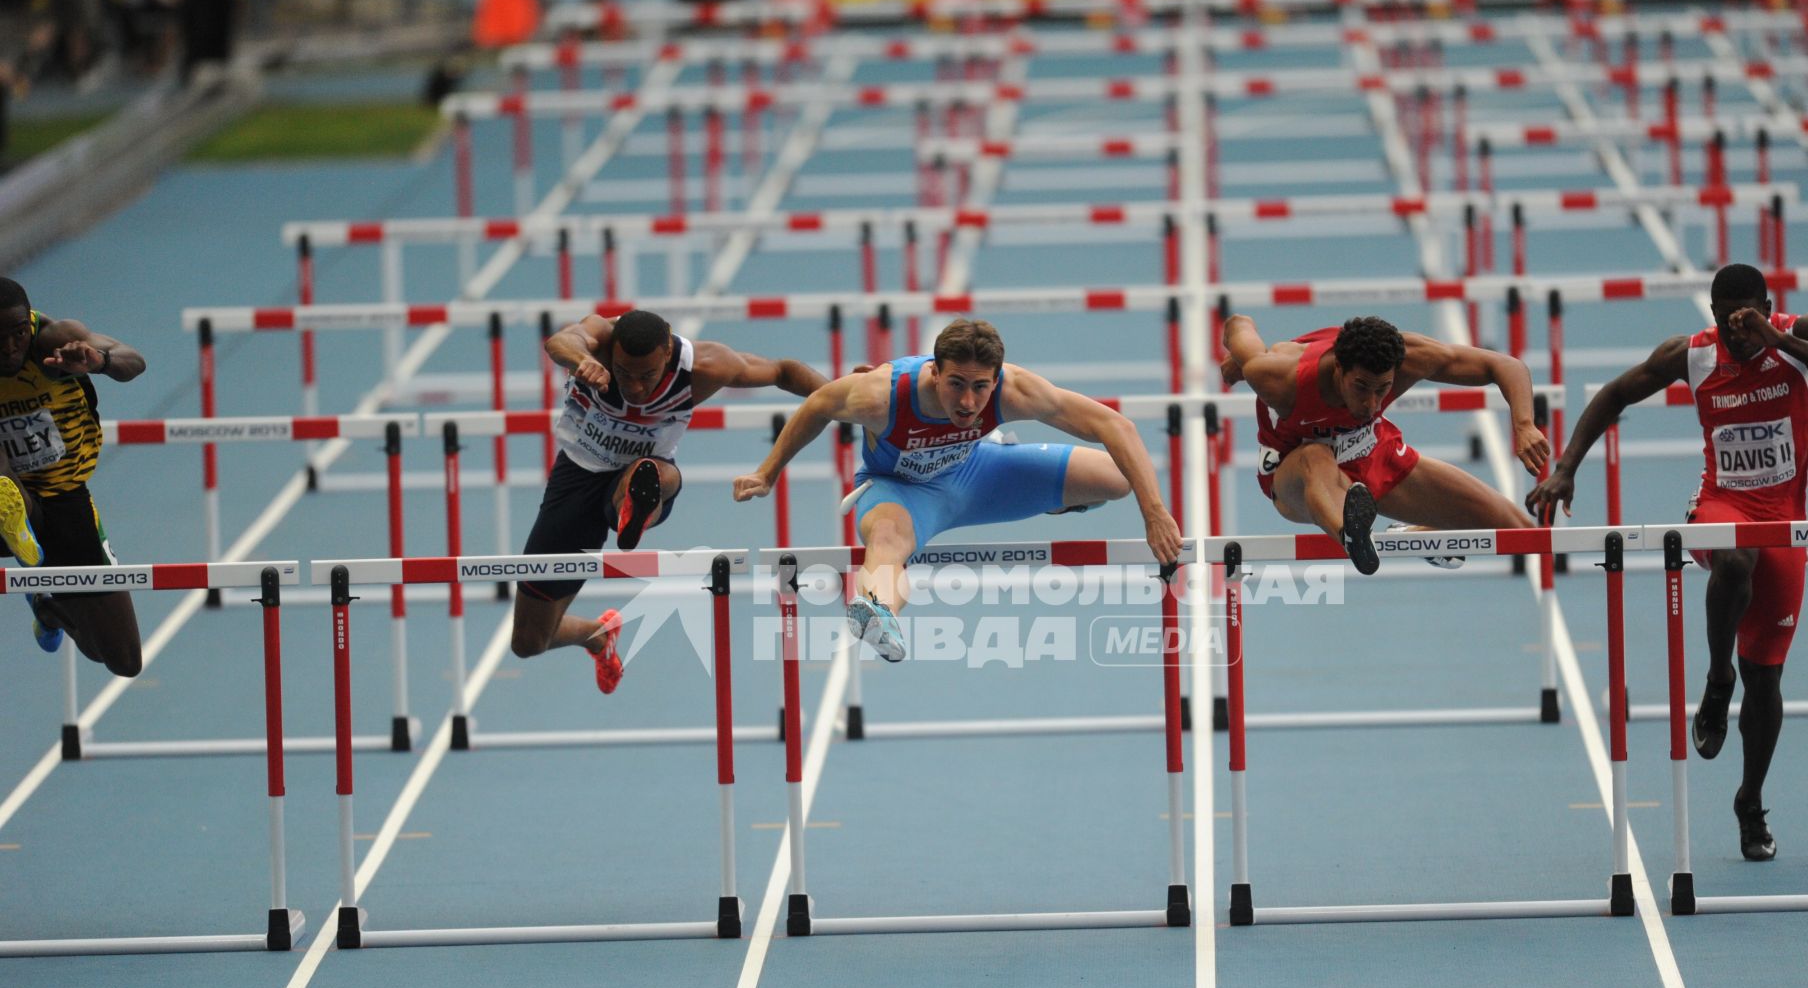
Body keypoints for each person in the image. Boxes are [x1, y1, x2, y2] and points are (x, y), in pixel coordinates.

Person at [1527, 263, 1808, 862]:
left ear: (1765, 304)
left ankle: (1750, 802)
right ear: (1711, 313)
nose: (1737, 330)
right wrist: (1566, 467)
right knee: (1733, 561)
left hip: (1783, 521)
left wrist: (1776, 339)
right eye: (1726, 319)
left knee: (1767, 681)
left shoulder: (1799, 334)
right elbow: (1614, 393)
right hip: (1721, 504)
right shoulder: (1693, 355)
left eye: (1748, 316)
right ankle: (1716, 680)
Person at [732, 318, 1182, 662]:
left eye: (981, 387)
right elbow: (817, 405)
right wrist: (768, 472)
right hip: (900, 493)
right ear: (934, 372)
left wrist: (1155, 511)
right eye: (956, 385)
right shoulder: (880, 395)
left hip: (978, 475)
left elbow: (1113, 425)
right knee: (886, 543)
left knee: (1116, 479)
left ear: (997, 377)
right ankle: (876, 609)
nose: (968, 402)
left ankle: (1052, 500)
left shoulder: (1016, 390)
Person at [514, 308, 829, 693]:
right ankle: (597, 632)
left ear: (667, 352)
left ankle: (636, 508)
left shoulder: (706, 365)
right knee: (529, 642)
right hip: (576, 477)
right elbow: (560, 340)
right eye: (624, 372)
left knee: (651, 474)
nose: (634, 386)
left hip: (647, 476)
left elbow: (782, 371)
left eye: (646, 375)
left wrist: (845, 392)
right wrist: (583, 360)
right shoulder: (599, 338)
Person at [1220, 314, 1551, 575]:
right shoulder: (1276, 375)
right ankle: (1352, 535)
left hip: (1371, 452)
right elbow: (1238, 323)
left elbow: (1505, 365)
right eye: (1361, 387)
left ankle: (1416, 535)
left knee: (1520, 532)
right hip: (1297, 475)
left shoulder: (1412, 358)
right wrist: (1240, 360)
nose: (1371, 403)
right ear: (1339, 367)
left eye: (1383, 389)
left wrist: (1524, 425)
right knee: (1315, 456)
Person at [0, 276, 145, 676]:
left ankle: (49, 608)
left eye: (16, 334)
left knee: (120, 659)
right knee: (6, 491)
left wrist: (100, 362)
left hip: (65, 498)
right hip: (14, 498)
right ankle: (15, 520)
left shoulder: (53, 340)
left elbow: (134, 361)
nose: (10, 347)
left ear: (28, 325)